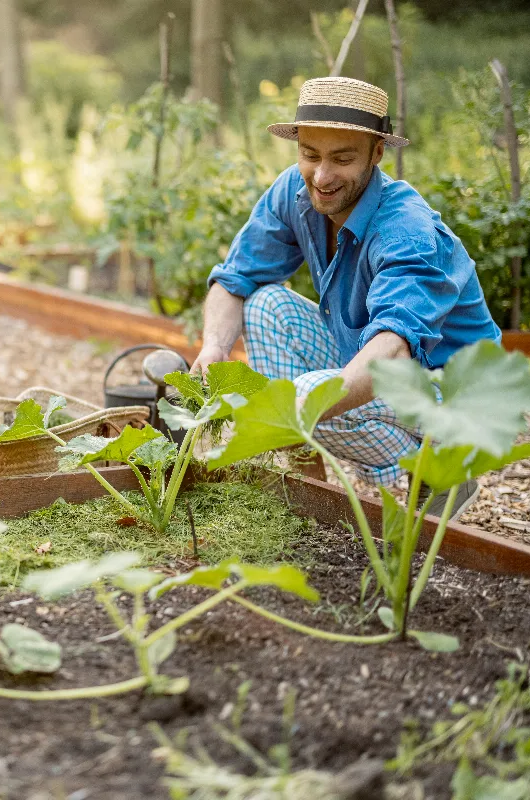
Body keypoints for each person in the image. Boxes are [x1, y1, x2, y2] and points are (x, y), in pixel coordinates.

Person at [194, 76, 499, 519]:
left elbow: (391, 349)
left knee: (304, 395)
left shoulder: (405, 230)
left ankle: (445, 467)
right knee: (265, 307)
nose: (322, 175)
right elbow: (235, 278)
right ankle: (306, 491)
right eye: (310, 155)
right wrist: (214, 348)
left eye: (342, 158)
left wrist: (286, 410)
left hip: (450, 396)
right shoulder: (296, 193)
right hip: (378, 366)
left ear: (377, 153)